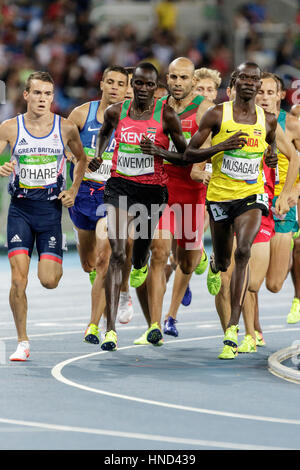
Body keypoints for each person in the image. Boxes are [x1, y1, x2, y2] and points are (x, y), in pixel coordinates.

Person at [183, 62, 299, 360]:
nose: (261, 94)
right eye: (247, 81)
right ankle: (245, 329)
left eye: (266, 89)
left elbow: (287, 154)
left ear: (275, 94)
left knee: (259, 276)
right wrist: (216, 155)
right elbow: (193, 158)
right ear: (234, 86)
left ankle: (243, 329)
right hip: (223, 198)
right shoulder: (219, 115)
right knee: (227, 265)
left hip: (257, 200)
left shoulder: (275, 122)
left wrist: (287, 193)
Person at [88, 62, 187, 351]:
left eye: (149, 85)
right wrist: (98, 154)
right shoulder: (117, 111)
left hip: (153, 192)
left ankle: (140, 265)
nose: (143, 89)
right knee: (117, 251)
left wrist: (159, 151)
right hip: (120, 186)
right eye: (139, 84)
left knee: (140, 254)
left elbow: (185, 155)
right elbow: (105, 132)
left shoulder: (166, 115)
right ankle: (110, 330)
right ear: (133, 86)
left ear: (157, 88)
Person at [0, 71, 87, 361]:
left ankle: (55, 256)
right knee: (17, 281)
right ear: (26, 95)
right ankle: (22, 341)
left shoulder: (65, 129)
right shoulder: (10, 128)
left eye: (48, 94)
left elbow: (82, 158)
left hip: (50, 212)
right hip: (20, 210)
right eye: (37, 93)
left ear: (53, 97)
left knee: (49, 281)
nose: (42, 99)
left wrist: (73, 189)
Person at [134, 57, 213, 344]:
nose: (177, 83)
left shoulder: (205, 109)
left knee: (186, 262)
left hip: (191, 192)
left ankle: (198, 255)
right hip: (161, 188)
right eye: (173, 77)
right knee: (158, 250)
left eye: (183, 78)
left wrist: (203, 168)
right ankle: (154, 325)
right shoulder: (158, 107)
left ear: (193, 80)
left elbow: (199, 158)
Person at [67, 66, 133, 345]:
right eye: (111, 82)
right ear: (102, 83)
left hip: (115, 194)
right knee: (89, 263)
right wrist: (78, 159)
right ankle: (111, 286)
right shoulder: (81, 114)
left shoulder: (132, 119)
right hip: (84, 195)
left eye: (121, 83)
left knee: (105, 260)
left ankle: (97, 325)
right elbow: (65, 145)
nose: (116, 87)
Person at [256, 73, 300, 323]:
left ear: (280, 95)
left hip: (282, 205)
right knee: (250, 277)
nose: (264, 97)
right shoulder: (244, 120)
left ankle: (290, 246)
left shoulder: (291, 124)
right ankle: (253, 330)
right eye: (260, 91)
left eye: (270, 92)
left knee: (273, 284)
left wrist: (293, 192)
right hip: (252, 201)